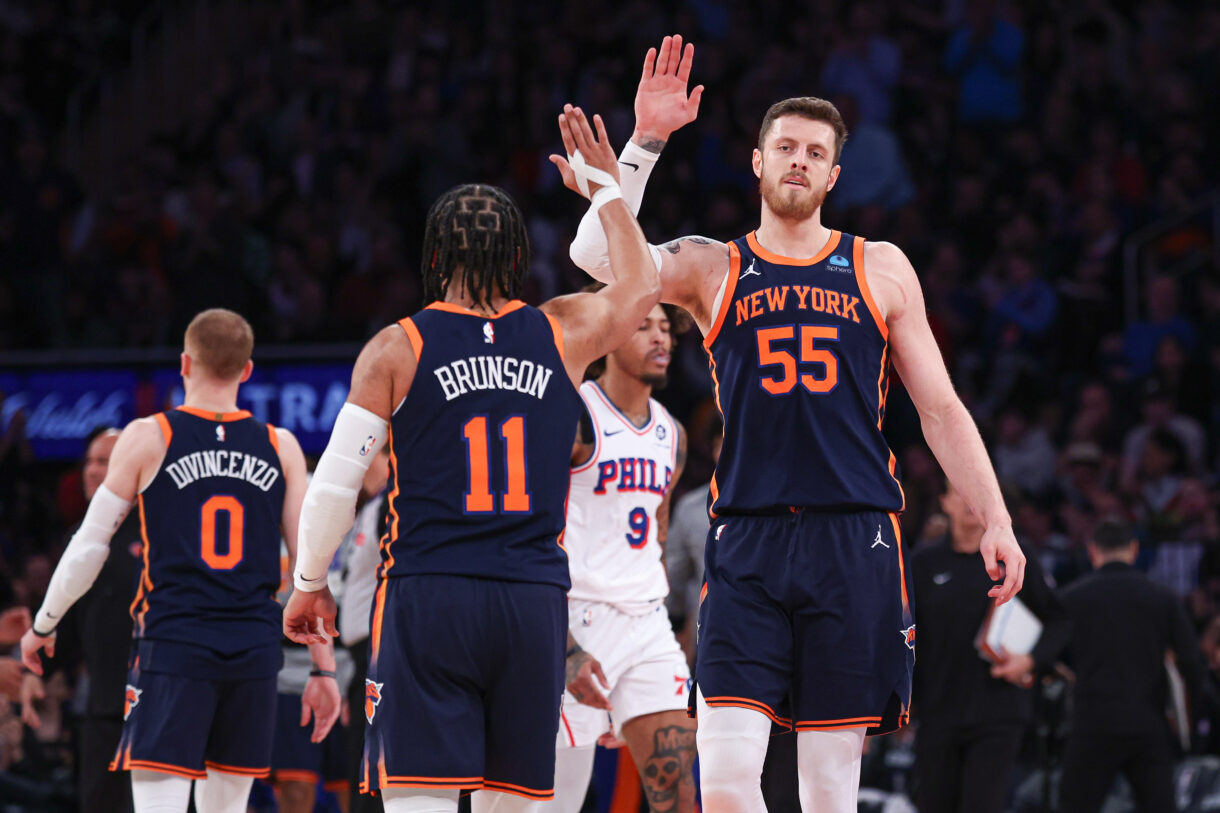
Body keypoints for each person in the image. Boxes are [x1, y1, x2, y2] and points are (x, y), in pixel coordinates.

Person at [567, 34, 1026, 813]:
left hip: (854, 538)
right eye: (786, 146)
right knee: (729, 778)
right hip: (748, 538)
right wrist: (643, 146)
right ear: (757, 161)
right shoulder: (713, 265)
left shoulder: (880, 265)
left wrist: (996, 515)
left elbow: (940, 407)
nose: (799, 160)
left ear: (835, 174)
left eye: (816, 152)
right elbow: (599, 260)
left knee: (826, 789)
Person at [282, 105, 662, 813]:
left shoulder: (399, 346)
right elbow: (641, 287)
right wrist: (608, 189)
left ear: (435, 255)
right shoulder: (563, 330)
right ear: (517, 254)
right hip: (531, 602)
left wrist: (310, 581)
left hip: (431, 593)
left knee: (417, 800)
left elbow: (336, 479)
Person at [20, 309, 341, 813]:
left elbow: (88, 543)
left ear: (185, 363)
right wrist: (323, 671)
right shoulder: (283, 447)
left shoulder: (150, 435)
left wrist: (44, 624)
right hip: (253, 656)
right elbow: (310, 568)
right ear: (248, 370)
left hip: (174, 648)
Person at [542, 297, 693, 813]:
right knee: (557, 802)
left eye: (666, 328)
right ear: (608, 337)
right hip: (577, 621)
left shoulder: (672, 433)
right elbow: (532, 531)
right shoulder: (573, 415)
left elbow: (659, 534)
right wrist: (562, 647)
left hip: (646, 625)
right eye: (643, 326)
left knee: (680, 793)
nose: (661, 338)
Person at [910, 481, 1071, 813]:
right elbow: (905, 633)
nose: (970, 503)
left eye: (977, 495)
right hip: (937, 709)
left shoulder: (1013, 555)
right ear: (944, 502)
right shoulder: (924, 562)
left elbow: (1059, 620)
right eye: (961, 493)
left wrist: (1030, 660)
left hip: (999, 711)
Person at [20, 427, 143, 813]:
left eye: (104, 461)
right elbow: (66, 628)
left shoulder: (164, 535)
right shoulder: (82, 538)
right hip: (103, 710)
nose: (92, 471)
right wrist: (34, 673)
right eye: (89, 460)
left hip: (163, 707)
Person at [1057, 517, 1215, 813]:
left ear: (1093, 551)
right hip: (1148, 724)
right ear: (1133, 550)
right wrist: (1190, 727)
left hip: (1091, 723)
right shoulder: (1162, 597)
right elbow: (1192, 663)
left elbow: (1046, 653)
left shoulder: (1072, 597)